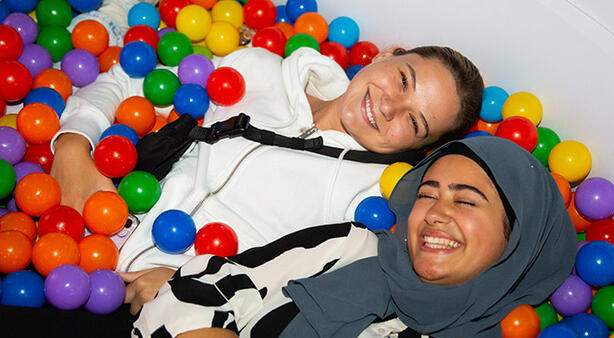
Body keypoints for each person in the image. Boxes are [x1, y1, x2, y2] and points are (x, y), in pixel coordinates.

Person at [51, 43, 484, 273]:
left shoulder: (371, 198)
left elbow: (287, 286)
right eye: (402, 80)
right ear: (386, 54)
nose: (390, 108)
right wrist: (72, 147)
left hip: (149, 308)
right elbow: (131, 78)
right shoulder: (260, 68)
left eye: (414, 122)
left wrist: (188, 291)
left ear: (420, 147)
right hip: (68, 222)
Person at [130, 136, 578, 338]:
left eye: (465, 200)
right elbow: (182, 301)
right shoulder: (349, 246)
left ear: (517, 236)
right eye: (427, 193)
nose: (436, 212)